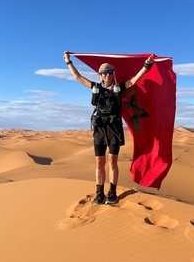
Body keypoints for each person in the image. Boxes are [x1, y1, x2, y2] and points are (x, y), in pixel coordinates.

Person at [63, 51, 154, 205]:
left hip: (114, 129)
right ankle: (99, 193)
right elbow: (78, 78)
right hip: (99, 130)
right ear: (100, 75)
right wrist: (68, 62)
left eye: (111, 72)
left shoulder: (119, 88)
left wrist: (146, 66)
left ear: (113, 74)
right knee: (99, 162)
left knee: (112, 161)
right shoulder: (95, 87)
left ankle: (112, 192)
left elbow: (133, 81)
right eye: (105, 72)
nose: (108, 75)